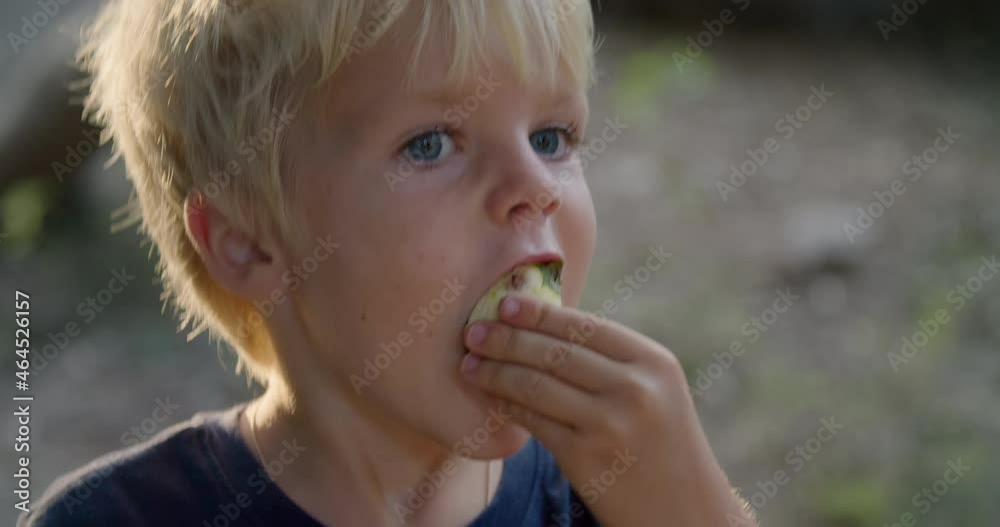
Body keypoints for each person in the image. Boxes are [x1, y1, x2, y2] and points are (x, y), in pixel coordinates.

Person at [20, 1, 756, 525]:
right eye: (431, 143)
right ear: (248, 241)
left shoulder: (617, 494)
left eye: (553, 136)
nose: (534, 187)